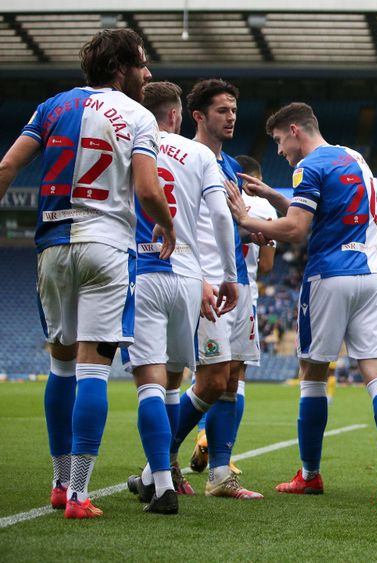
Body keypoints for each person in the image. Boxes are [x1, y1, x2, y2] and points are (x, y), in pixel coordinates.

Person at [0, 29, 175, 519]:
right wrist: (166, 225)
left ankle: (59, 484)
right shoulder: (139, 116)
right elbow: (145, 189)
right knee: (93, 369)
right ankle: (79, 494)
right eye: (142, 65)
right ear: (121, 68)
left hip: (53, 245)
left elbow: (7, 167)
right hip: (106, 247)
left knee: (60, 366)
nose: (149, 74)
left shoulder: (52, 107)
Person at [226, 102, 377, 503]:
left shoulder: (308, 167)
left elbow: (294, 228)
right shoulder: (354, 156)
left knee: (313, 371)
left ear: (294, 130)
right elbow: (329, 206)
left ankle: (309, 474)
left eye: (278, 141)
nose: (278, 151)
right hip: (372, 274)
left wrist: (246, 219)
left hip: (330, 274)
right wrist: (274, 195)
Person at [121, 81, 239, 514]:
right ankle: (158, 477)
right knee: (174, 382)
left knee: (150, 384)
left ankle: (162, 485)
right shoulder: (201, 155)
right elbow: (222, 218)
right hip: (190, 277)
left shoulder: (131, 144)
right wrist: (228, 275)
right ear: (175, 116)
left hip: (145, 271)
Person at [167, 78, 262, 500]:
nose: (231, 118)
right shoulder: (186, 157)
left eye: (235, 110)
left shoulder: (227, 167)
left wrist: (251, 231)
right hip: (203, 279)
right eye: (222, 110)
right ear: (198, 116)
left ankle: (220, 475)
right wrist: (200, 274)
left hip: (236, 281)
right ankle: (157, 461)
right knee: (210, 380)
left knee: (231, 379)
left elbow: (226, 224)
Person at [189, 155, 277, 475]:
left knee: (204, 372)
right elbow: (266, 266)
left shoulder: (214, 193)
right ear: (255, 178)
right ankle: (222, 456)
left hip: (207, 286)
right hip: (242, 292)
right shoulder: (266, 210)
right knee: (234, 379)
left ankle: (198, 435)